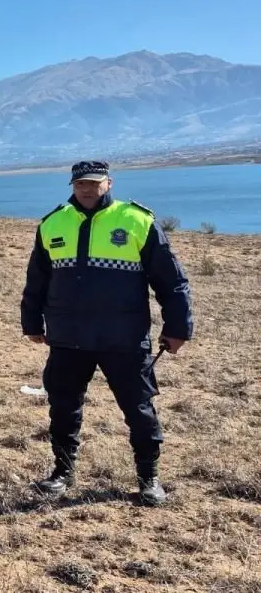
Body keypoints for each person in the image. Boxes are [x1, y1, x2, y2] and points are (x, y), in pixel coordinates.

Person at [20, 160, 193, 506]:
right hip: (69, 337)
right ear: (72, 185)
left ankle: (149, 478)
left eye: (94, 183)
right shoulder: (53, 223)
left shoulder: (137, 221)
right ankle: (62, 473)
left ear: (109, 183)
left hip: (124, 338)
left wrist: (177, 327)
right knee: (63, 407)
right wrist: (32, 323)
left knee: (139, 409)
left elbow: (171, 281)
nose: (87, 189)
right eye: (80, 183)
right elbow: (37, 280)